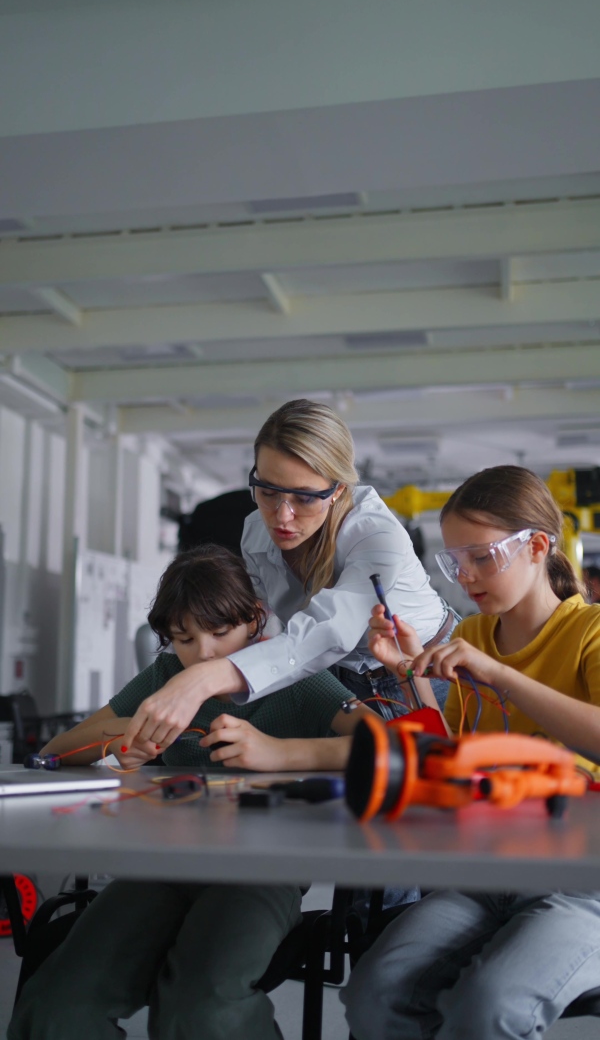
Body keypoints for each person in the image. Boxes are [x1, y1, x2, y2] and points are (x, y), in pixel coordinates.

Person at [9, 544, 366, 1040]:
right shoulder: (167, 677)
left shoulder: (296, 676)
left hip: (264, 871)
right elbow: (60, 749)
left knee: (201, 1012)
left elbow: (387, 746)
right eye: (184, 639)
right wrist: (125, 736)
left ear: (255, 620)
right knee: (55, 1007)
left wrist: (277, 753)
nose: (203, 655)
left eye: (220, 634)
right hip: (166, 866)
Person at [342, 464, 600, 1040]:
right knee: (374, 993)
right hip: (488, 870)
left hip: (584, 880)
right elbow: (450, 755)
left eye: (481, 557)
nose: (465, 576)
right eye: (455, 561)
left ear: (537, 546)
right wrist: (408, 673)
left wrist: (499, 676)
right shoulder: (477, 637)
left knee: (487, 1008)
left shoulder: (590, 633)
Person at [119, 399, 455, 757]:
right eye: (267, 492)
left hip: (426, 675)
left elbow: (331, 629)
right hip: (342, 679)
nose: (282, 516)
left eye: (305, 498)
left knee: (433, 780)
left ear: (338, 490)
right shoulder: (255, 532)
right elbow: (260, 626)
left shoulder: (376, 536)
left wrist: (203, 678)